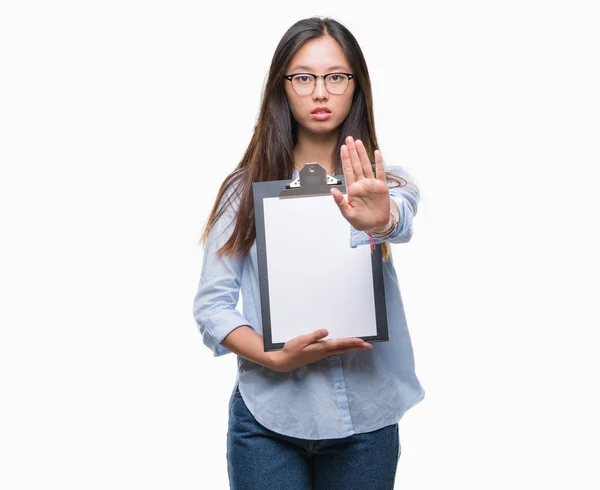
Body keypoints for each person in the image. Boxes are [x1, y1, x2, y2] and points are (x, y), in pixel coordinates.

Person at [192, 16, 425, 490]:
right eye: (304, 77)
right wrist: (271, 357)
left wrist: (378, 219)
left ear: (356, 86)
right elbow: (211, 306)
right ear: (283, 87)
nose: (320, 92)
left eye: (336, 76)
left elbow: (397, 216)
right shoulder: (243, 191)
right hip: (267, 422)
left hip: (368, 420)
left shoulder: (387, 183)